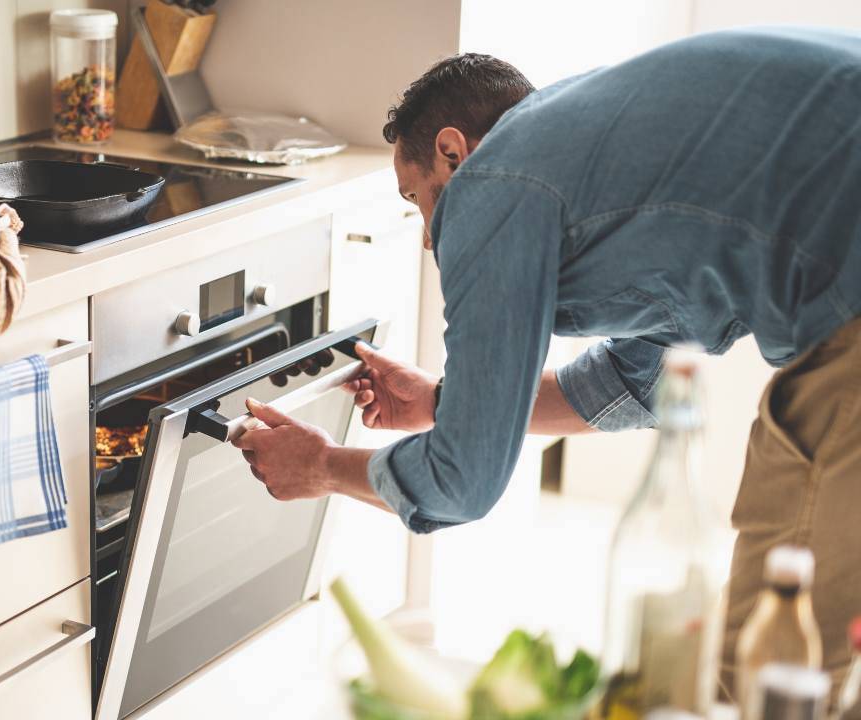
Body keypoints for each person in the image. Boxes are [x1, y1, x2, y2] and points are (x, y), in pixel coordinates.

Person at [232, 28, 861, 695]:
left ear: (452, 152)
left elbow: (463, 481)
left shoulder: (493, 180)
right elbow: (635, 382)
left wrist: (322, 467)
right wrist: (447, 403)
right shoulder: (596, 155)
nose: (426, 239)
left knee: (766, 661)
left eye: (416, 200)